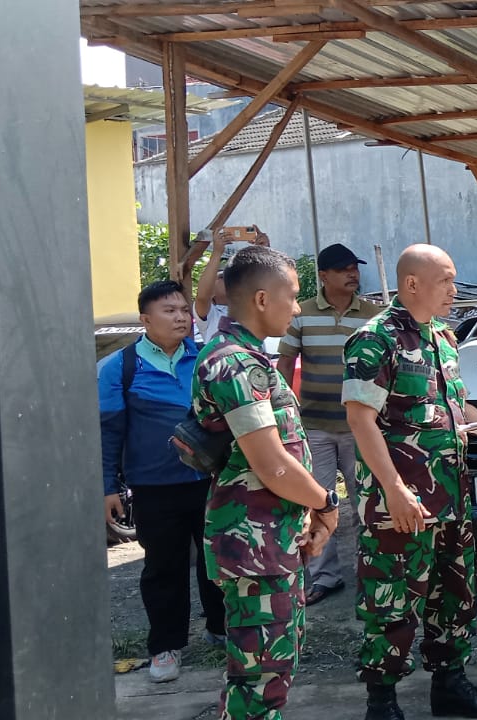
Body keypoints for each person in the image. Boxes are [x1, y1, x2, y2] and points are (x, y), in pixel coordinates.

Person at [343, 245, 477, 720]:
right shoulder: (375, 339)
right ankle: (382, 701)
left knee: (454, 596)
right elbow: (360, 420)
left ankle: (450, 685)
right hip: (400, 504)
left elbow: (455, 410)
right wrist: (395, 490)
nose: (454, 291)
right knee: (391, 602)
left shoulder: (444, 336)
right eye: (445, 281)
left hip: (451, 497)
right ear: (412, 284)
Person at [192, 245, 338, 719]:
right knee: (259, 678)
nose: (297, 308)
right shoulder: (235, 363)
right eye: (292, 297)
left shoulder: (249, 358)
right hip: (253, 545)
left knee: (273, 666)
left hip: (270, 539)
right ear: (260, 298)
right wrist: (326, 502)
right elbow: (272, 464)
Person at [99, 280, 225, 683]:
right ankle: (165, 647)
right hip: (154, 487)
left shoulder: (206, 359)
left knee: (217, 561)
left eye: (184, 310)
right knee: (163, 568)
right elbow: (108, 433)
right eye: (169, 310)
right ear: (145, 319)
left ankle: (220, 630)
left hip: (209, 480)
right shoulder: (121, 367)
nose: (181, 317)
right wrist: (107, 488)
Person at [278, 242, 382, 606]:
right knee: (317, 502)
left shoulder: (373, 315)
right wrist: (284, 415)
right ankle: (324, 576)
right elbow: (285, 366)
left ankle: (373, 573)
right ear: (323, 276)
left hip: (362, 428)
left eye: (355, 268)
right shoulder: (301, 314)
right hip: (315, 428)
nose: (353, 274)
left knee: (367, 502)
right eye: (343, 269)